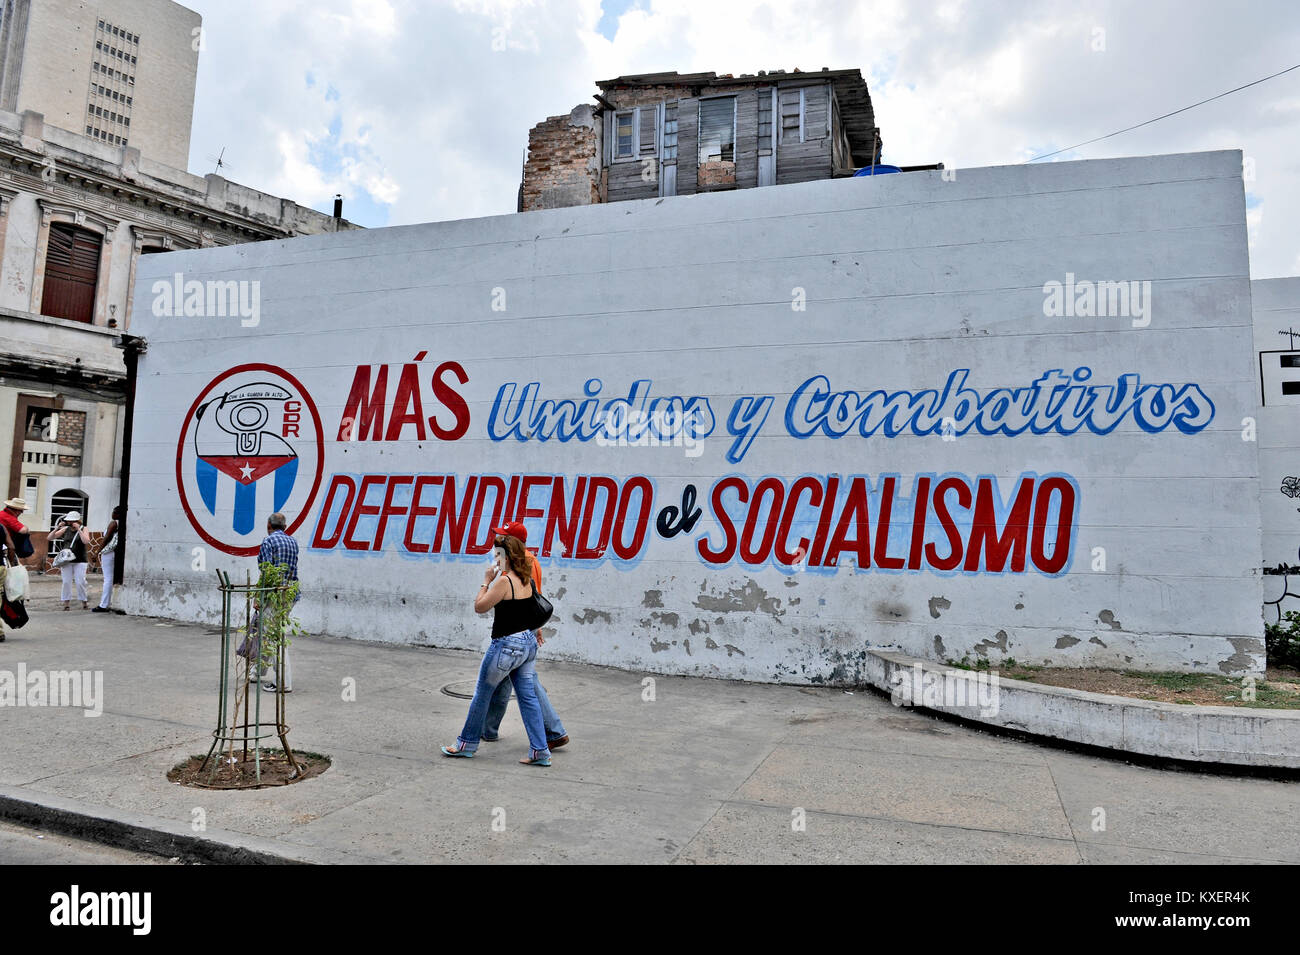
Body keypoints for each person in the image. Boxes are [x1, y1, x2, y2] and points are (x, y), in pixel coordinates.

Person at [442, 533, 552, 766]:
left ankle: (466, 743)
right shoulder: (525, 578)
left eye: (497, 554)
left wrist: (485, 581)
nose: (494, 557)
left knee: (482, 694)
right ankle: (541, 750)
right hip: (528, 644)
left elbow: (479, 607)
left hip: (506, 645)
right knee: (528, 698)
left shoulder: (504, 581)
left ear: (506, 556)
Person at [481, 521, 568, 749]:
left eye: (504, 537)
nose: (499, 541)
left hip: (515, 632)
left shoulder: (523, 562)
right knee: (504, 680)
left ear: (513, 542)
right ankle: (488, 729)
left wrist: (487, 583)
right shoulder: (527, 559)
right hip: (521, 630)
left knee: (527, 684)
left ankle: (554, 730)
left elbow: (529, 596)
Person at [256, 512, 300, 692]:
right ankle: (257, 671)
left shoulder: (268, 541)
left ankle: (283, 682)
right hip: (290, 594)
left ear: (268, 525)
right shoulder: (293, 542)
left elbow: (266, 571)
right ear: (286, 526)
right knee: (272, 633)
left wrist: (259, 597)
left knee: (274, 637)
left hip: (274, 593)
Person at [53, 511, 92, 611]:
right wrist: (57, 527)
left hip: (80, 560)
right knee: (66, 582)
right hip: (67, 560)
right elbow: (50, 537)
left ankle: (84, 602)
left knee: (80, 581)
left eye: (71, 521)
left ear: (76, 521)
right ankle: (66, 603)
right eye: (68, 521)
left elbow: (86, 541)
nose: (69, 523)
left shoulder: (84, 528)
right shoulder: (66, 529)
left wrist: (79, 529)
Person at [92, 506, 122, 613]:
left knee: (108, 579)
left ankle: (104, 605)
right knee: (111, 579)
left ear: (117, 514)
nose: (112, 513)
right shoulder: (124, 523)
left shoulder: (114, 523)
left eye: (114, 512)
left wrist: (97, 552)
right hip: (117, 553)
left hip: (109, 552)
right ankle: (107, 603)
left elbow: (106, 539)